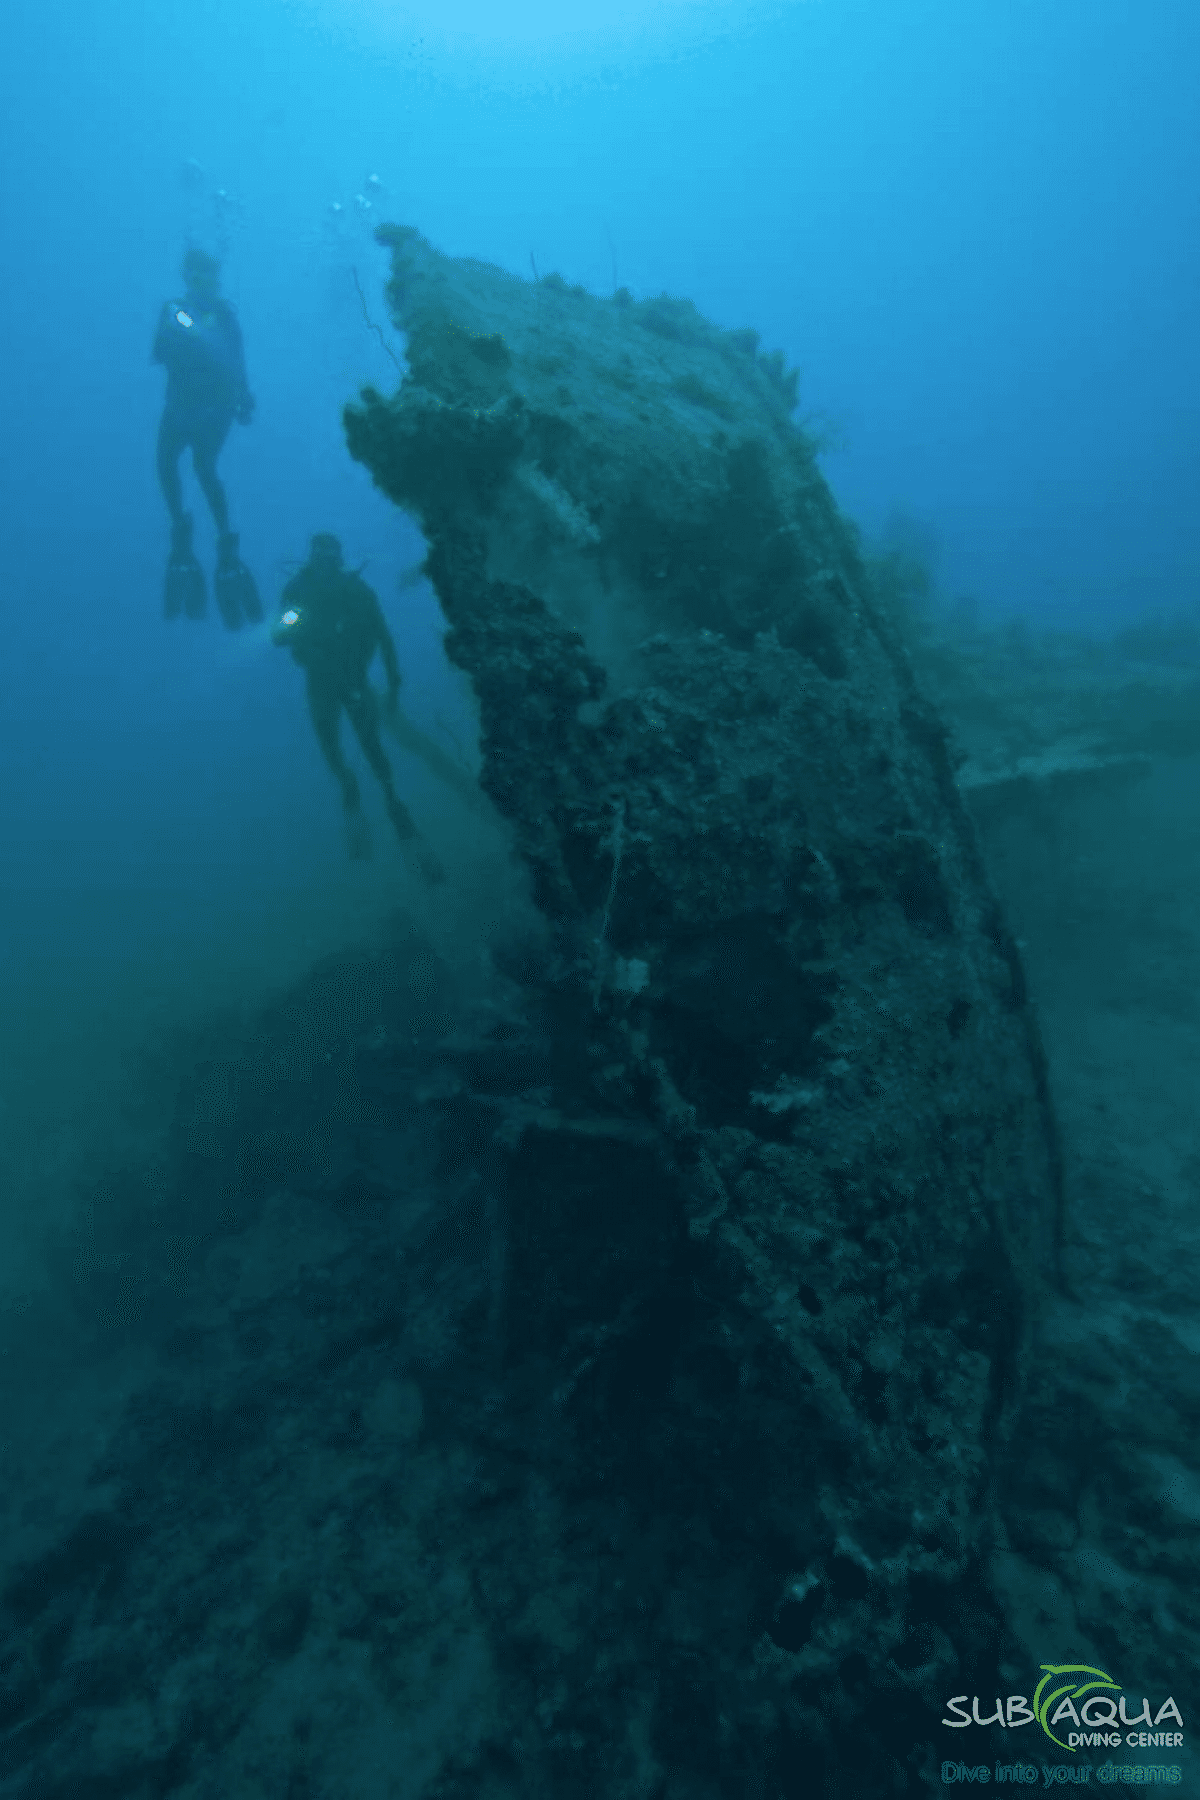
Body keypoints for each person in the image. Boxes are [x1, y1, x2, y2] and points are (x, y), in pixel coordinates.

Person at [273, 534, 444, 879]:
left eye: (330, 556)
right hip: (326, 684)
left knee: (371, 749)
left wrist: (394, 685)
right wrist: (294, 617)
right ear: (313, 558)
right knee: (337, 749)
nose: (325, 562)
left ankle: (392, 806)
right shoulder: (301, 590)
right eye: (320, 556)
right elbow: (280, 635)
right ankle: (355, 793)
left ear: (338, 558)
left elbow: (383, 635)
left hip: (349, 682)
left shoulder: (356, 590)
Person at [153, 247, 261, 628]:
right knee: (176, 464)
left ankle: (214, 537)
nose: (207, 284)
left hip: (206, 408)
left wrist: (243, 396)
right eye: (200, 276)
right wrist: (242, 395)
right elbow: (163, 352)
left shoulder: (219, 314)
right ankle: (193, 533)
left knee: (197, 467)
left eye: (210, 277)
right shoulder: (178, 310)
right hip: (191, 406)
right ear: (189, 277)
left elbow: (235, 357)